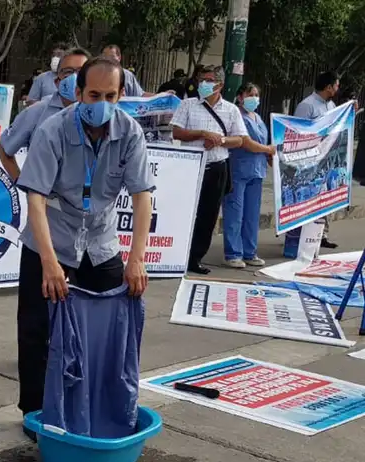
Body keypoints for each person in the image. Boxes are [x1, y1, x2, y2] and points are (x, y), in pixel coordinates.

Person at [14, 55, 152, 431]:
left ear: (122, 95)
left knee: (106, 331)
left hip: (101, 245)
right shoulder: (52, 130)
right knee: (38, 334)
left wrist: (136, 259)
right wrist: (48, 263)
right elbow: (36, 200)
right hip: (51, 243)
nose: (101, 104)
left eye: (110, 95)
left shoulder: (130, 133)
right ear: (78, 93)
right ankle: (36, 416)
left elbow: (142, 197)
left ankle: (94, 407)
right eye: (93, 95)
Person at [171, 64, 248, 275]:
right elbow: (177, 132)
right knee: (185, 213)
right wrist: (202, 134)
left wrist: (219, 139)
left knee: (208, 215)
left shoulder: (231, 110)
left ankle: (195, 258)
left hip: (216, 168)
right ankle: (176, 255)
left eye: (208, 80)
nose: (203, 84)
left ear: (220, 85)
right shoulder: (188, 105)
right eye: (201, 79)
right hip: (190, 166)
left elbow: (239, 140)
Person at [0, 48, 91, 181]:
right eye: (68, 72)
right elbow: (3, 146)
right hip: (45, 199)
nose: (75, 78)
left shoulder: (99, 114)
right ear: (57, 81)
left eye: (81, 72)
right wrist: (21, 181)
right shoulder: (38, 111)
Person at [222, 82, 275, 269]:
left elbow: (263, 141)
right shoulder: (237, 115)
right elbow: (246, 142)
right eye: (250, 94)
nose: (254, 98)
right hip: (238, 169)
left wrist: (269, 154)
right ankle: (233, 253)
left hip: (257, 170)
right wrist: (268, 149)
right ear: (240, 96)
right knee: (235, 212)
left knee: (252, 214)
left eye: (256, 94)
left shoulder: (258, 118)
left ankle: (249, 252)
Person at [292, 71, 341, 249]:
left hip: (326, 160)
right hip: (309, 161)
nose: (337, 88)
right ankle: (301, 235)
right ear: (328, 87)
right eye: (336, 85)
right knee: (308, 198)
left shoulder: (331, 105)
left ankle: (321, 234)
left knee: (325, 198)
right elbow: (297, 133)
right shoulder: (307, 106)